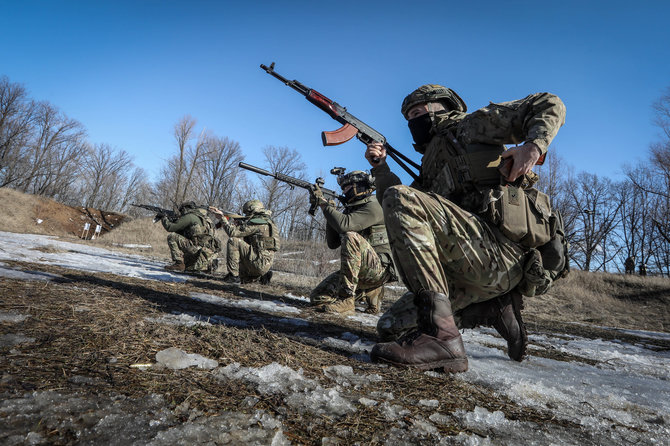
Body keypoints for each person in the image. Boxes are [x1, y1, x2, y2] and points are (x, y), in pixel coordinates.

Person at [364, 84, 566, 373]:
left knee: (401, 199)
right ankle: (491, 308)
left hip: (502, 253)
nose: (413, 122)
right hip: (467, 267)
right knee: (389, 327)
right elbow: (397, 206)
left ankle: (443, 339)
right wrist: (380, 168)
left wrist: (533, 147)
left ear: (441, 109)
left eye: (419, 113)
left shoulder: (470, 126)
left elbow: (549, 103)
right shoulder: (430, 166)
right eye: (409, 117)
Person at [309, 169, 397, 315]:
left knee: (350, 236)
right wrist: (330, 211)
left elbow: (345, 226)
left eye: (347, 187)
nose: (344, 191)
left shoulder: (375, 205)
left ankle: (347, 300)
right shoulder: (352, 209)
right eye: (342, 188)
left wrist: (325, 206)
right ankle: (369, 291)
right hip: (362, 270)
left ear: (360, 186)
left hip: (381, 268)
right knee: (318, 297)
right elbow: (333, 243)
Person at [209, 200, 279, 284]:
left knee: (233, 241)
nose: (246, 215)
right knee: (244, 279)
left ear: (253, 210)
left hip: (258, 262)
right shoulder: (268, 222)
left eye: (247, 213)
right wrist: (240, 224)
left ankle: (233, 276)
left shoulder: (257, 223)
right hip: (264, 263)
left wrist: (222, 218)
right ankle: (262, 276)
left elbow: (232, 233)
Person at [162, 201, 221, 273]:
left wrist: (163, 218)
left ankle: (179, 264)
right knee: (189, 267)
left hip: (197, 250)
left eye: (182, 210)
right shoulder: (205, 218)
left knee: (172, 237)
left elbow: (170, 227)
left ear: (185, 209)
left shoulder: (190, 216)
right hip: (207, 252)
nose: (181, 213)